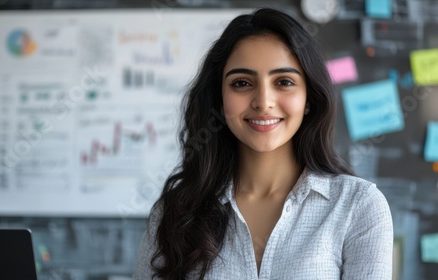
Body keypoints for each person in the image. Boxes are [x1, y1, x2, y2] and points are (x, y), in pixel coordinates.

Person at [134, 7, 393, 280]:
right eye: (242, 83)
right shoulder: (174, 211)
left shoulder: (358, 206)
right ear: (219, 99)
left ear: (309, 99)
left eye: (284, 81)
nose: (263, 101)